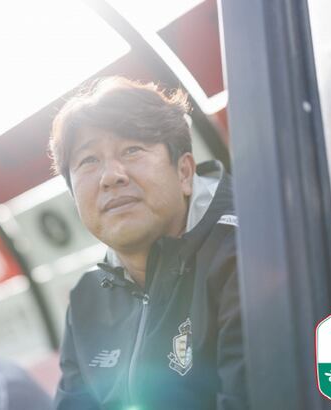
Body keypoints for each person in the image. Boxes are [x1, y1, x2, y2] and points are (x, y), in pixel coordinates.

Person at [48, 77, 247, 409]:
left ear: (184, 172)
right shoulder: (87, 299)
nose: (111, 176)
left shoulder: (243, 250)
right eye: (88, 160)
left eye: (132, 150)